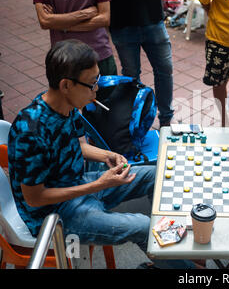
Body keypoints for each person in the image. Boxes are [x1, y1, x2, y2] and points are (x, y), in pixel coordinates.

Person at [8, 40, 195, 269]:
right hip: (53, 215)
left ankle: (176, 257)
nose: (97, 90)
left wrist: (107, 154)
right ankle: (189, 270)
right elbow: (34, 198)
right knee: (144, 226)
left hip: (79, 183)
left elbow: (75, 146)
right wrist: (97, 185)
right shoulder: (29, 130)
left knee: (157, 175)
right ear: (66, 85)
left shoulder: (66, 105)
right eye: (92, 84)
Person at [106, 0, 174, 127]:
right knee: (131, 76)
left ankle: (166, 120)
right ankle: (136, 121)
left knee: (165, 70)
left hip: (153, 19)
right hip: (122, 22)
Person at [32, 0, 117, 76]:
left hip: (99, 53)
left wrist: (62, 25)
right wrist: (84, 14)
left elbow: (104, 19)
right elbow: (45, 21)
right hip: (64, 56)